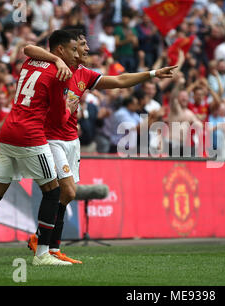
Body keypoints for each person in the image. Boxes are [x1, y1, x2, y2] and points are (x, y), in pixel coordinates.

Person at [22, 29, 178, 263]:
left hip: (72, 140)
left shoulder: (84, 74)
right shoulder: (56, 69)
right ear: (67, 49)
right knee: (68, 191)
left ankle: (47, 244)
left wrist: (153, 73)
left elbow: (120, 80)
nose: (86, 49)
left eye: (84, 45)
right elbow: (28, 48)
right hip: (51, 139)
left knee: (66, 196)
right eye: (81, 45)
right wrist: (54, 60)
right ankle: (47, 246)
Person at [0, 30, 80, 266]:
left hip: (8, 132)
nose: (76, 54)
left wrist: (53, 59)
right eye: (73, 49)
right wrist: (69, 108)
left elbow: (27, 48)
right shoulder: (60, 73)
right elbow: (57, 119)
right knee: (53, 191)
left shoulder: (33, 60)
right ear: (61, 50)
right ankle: (43, 253)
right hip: (30, 136)